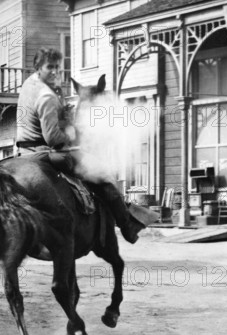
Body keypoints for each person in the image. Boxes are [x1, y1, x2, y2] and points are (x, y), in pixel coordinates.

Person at [15, 47, 145, 244]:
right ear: (38, 67)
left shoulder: (28, 84)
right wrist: (71, 133)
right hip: (43, 152)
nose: (54, 72)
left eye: (57, 68)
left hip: (23, 151)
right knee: (102, 176)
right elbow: (52, 138)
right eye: (49, 67)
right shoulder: (46, 95)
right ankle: (127, 227)